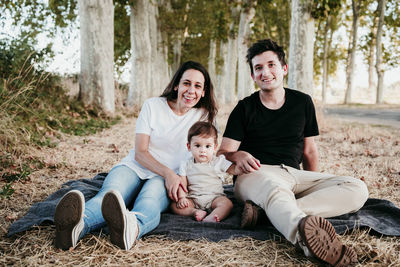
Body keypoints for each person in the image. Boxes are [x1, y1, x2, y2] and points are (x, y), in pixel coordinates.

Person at [217, 39, 369, 266]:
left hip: (294, 175)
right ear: (253, 76)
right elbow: (222, 153)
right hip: (256, 174)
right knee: (274, 190)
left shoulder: (303, 102)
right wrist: (236, 155)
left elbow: (309, 151)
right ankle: (306, 238)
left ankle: (265, 214)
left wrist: (313, 182)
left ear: (284, 69)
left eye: (271, 65)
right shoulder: (244, 108)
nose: (265, 72)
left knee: (357, 188)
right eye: (258, 68)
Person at [54, 61, 218, 251]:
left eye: (198, 86)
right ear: (176, 85)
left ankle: (131, 228)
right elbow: (141, 152)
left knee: (149, 201)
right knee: (109, 195)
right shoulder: (153, 106)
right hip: (136, 167)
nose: (191, 90)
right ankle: (75, 227)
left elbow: (211, 154)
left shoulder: (205, 118)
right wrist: (168, 174)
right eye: (186, 83)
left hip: (166, 178)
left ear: (204, 91)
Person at [170, 121, 241, 222]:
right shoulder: (185, 164)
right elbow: (182, 183)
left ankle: (213, 216)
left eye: (207, 146)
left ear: (214, 147)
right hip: (193, 198)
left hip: (214, 198)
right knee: (174, 205)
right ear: (189, 146)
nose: (203, 150)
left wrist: (240, 168)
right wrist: (182, 198)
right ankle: (194, 212)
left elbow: (233, 169)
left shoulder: (217, 161)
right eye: (197, 145)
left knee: (227, 204)